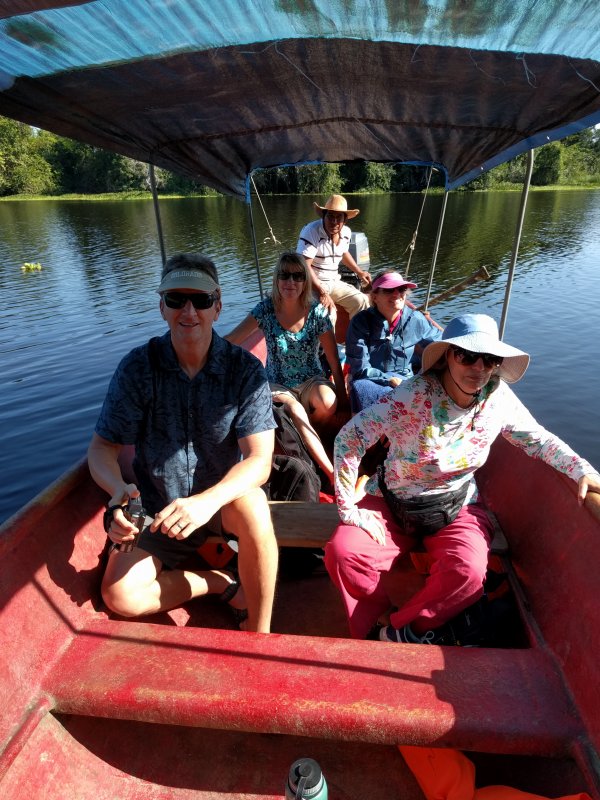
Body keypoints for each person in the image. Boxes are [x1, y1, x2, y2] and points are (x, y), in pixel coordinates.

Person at [324, 313, 600, 643]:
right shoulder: (413, 395)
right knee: (343, 553)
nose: (478, 368)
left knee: (468, 573)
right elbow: (350, 438)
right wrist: (348, 509)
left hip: (455, 505)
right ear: (448, 357)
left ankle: (401, 631)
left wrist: (581, 468)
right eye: (467, 356)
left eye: (489, 359)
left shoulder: (497, 397)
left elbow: (538, 439)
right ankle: (374, 623)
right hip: (393, 499)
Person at [88, 253, 278, 634]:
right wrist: (117, 492)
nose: (188, 310)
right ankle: (219, 582)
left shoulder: (244, 371)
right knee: (120, 596)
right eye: (176, 299)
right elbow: (101, 449)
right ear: (162, 307)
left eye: (201, 300)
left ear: (218, 306)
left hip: (222, 506)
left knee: (255, 505)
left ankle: (261, 637)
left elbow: (260, 459)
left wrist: (206, 502)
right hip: (158, 510)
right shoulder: (137, 368)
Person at [226, 251, 347, 486]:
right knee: (294, 408)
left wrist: (344, 401)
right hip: (277, 382)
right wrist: (198, 347)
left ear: (306, 281)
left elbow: (333, 361)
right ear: (277, 279)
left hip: (311, 378)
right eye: (284, 275)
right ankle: (332, 474)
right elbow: (233, 338)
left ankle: (312, 441)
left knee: (328, 402)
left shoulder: (317, 313)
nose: (290, 282)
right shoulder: (266, 309)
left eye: (298, 276)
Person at [345, 270, 442, 412]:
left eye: (401, 289)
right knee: (361, 389)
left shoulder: (415, 319)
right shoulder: (360, 322)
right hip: (369, 378)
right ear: (375, 296)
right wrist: (388, 380)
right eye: (389, 290)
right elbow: (360, 368)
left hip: (404, 378)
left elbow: (442, 344)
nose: (396, 294)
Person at [296, 194, 371, 326]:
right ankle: (325, 347)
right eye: (330, 216)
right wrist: (322, 291)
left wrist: (360, 273)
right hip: (312, 285)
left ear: (345, 220)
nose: (334, 222)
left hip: (334, 281)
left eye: (339, 218)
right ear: (323, 216)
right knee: (329, 314)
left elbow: (343, 253)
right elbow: (304, 266)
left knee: (362, 301)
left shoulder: (346, 233)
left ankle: (355, 342)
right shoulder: (311, 231)